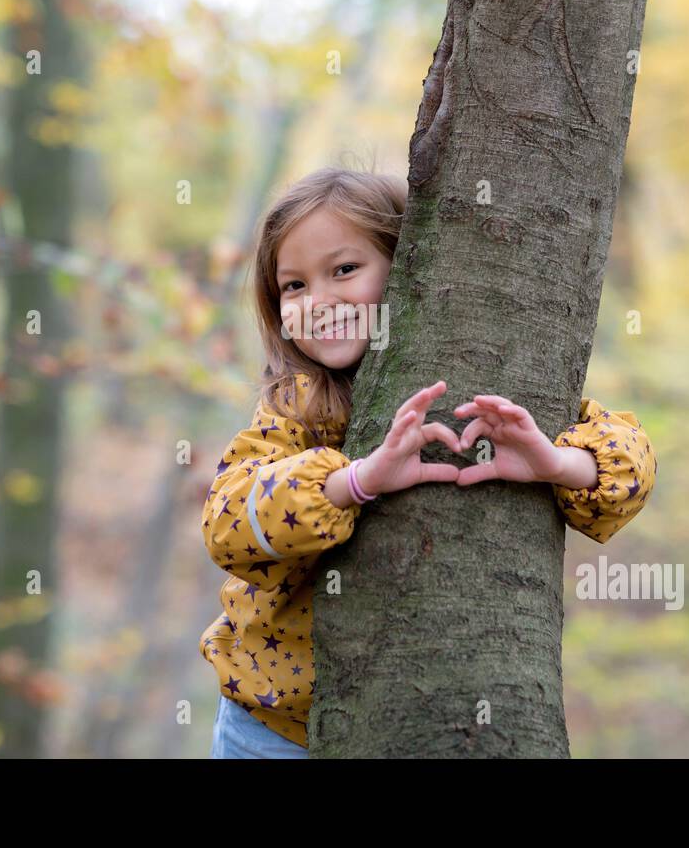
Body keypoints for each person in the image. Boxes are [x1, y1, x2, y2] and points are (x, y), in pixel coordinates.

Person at [200, 167, 657, 757]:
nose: (319, 301)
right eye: (293, 286)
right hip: (270, 730)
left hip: (411, 725)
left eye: (345, 270)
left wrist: (557, 462)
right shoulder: (294, 410)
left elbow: (631, 463)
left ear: (408, 265)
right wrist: (355, 480)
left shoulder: (474, 375)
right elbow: (225, 522)